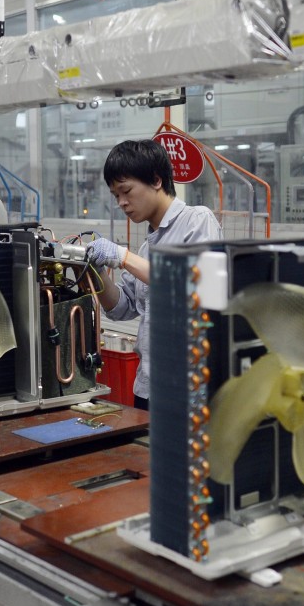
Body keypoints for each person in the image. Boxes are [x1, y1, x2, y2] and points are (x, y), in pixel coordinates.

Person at [84, 139, 223, 411]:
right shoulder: (148, 247)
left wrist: (122, 257)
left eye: (126, 191)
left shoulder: (197, 221)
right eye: (115, 196)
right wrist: (95, 272)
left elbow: (198, 286)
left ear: (157, 180)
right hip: (148, 386)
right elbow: (121, 309)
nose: (122, 203)